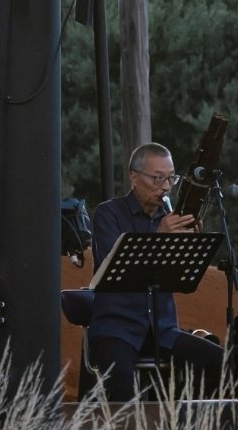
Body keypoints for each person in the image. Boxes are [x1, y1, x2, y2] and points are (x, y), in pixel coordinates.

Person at [86, 142, 225, 401]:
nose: (165, 186)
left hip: (162, 329)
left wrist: (189, 246)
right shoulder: (109, 214)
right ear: (134, 177)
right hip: (117, 328)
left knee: (221, 363)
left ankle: (180, 422)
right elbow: (115, 268)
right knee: (123, 393)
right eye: (157, 178)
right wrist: (159, 235)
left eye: (171, 178)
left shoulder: (169, 215)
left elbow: (180, 277)